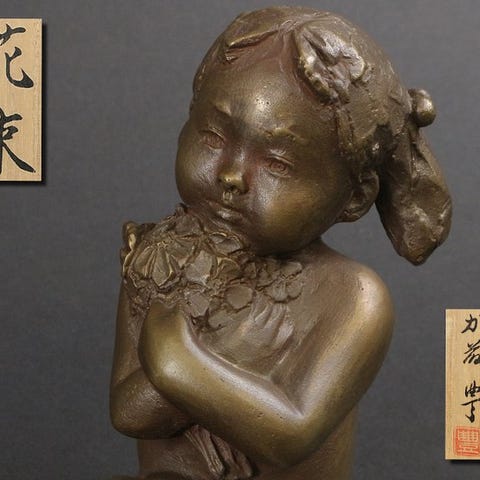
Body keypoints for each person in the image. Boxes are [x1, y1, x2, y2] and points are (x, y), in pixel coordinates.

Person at [110, 7, 451, 480]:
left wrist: (179, 361)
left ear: (354, 197)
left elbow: (290, 434)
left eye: (276, 163)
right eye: (213, 136)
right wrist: (225, 347)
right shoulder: (162, 258)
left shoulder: (351, 297)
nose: (231, 175)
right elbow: (128, 413)